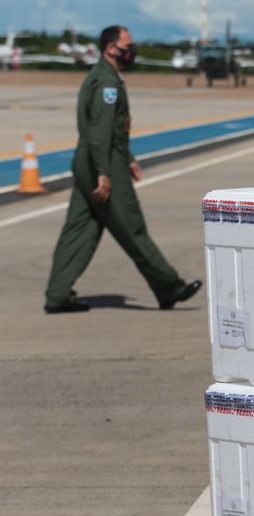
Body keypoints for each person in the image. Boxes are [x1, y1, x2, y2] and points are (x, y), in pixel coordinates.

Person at [43, 25, 202, 313]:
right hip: (102, 161)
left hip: (89, 160)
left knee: (79, 229)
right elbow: (101, 131)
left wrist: (128, 157)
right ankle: (169, 287)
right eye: (127, 46)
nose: (132, 51)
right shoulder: (107, 83)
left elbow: (112, 129)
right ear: (111, 48)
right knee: (131, 226)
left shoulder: (100, 76)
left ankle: (58, 294)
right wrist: (105, 172)